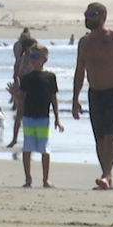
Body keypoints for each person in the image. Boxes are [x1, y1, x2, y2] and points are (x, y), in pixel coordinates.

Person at [71, 2, 113, 190]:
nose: (87, 17)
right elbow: (80, 71)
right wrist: (75, 100)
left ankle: (106, 174)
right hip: (95, 93)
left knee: (111, 135)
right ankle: (106, 175)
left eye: (92, 14)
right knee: (99, 138)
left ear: (103, 16)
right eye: (86, 14)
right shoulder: (84, 42)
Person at [19, 44, 64, 187]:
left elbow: (53, 98)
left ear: (44, 59)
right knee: (27, 147)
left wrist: (57, 118)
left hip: (43, 118)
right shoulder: (26, 78)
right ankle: (28, 178)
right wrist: (15, 96)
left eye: (35, 57)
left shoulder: (50, 77)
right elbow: (22, 98)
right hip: (28, 117)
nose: (32, 60)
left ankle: (46, 179)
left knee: (45, 148)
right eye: (30, 57)